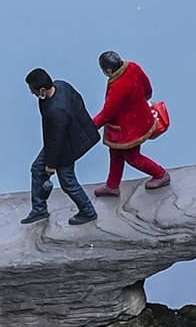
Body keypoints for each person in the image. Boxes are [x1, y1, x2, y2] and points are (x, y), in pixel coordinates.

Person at [20, 67, 100, 228]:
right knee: (37, 169)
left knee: (68, 182)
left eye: (32, 90)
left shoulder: (57, 110)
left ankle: (87, 211)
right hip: (66, 136)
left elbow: (58, 139)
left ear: (42, 89)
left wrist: (51, 165)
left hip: (67, 145)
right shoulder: (61, 85)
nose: (32, 93)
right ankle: (39, 208)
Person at [93, 50, 170, 197]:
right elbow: (148, 89)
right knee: (115, 153)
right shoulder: (133, 67)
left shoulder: (117, 86)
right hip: (141, 119)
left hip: (126, 130)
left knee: (133, 157)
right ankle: (112, 185)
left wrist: (91, 125)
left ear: (109, 70)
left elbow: (107, 113)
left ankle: (161, 174)